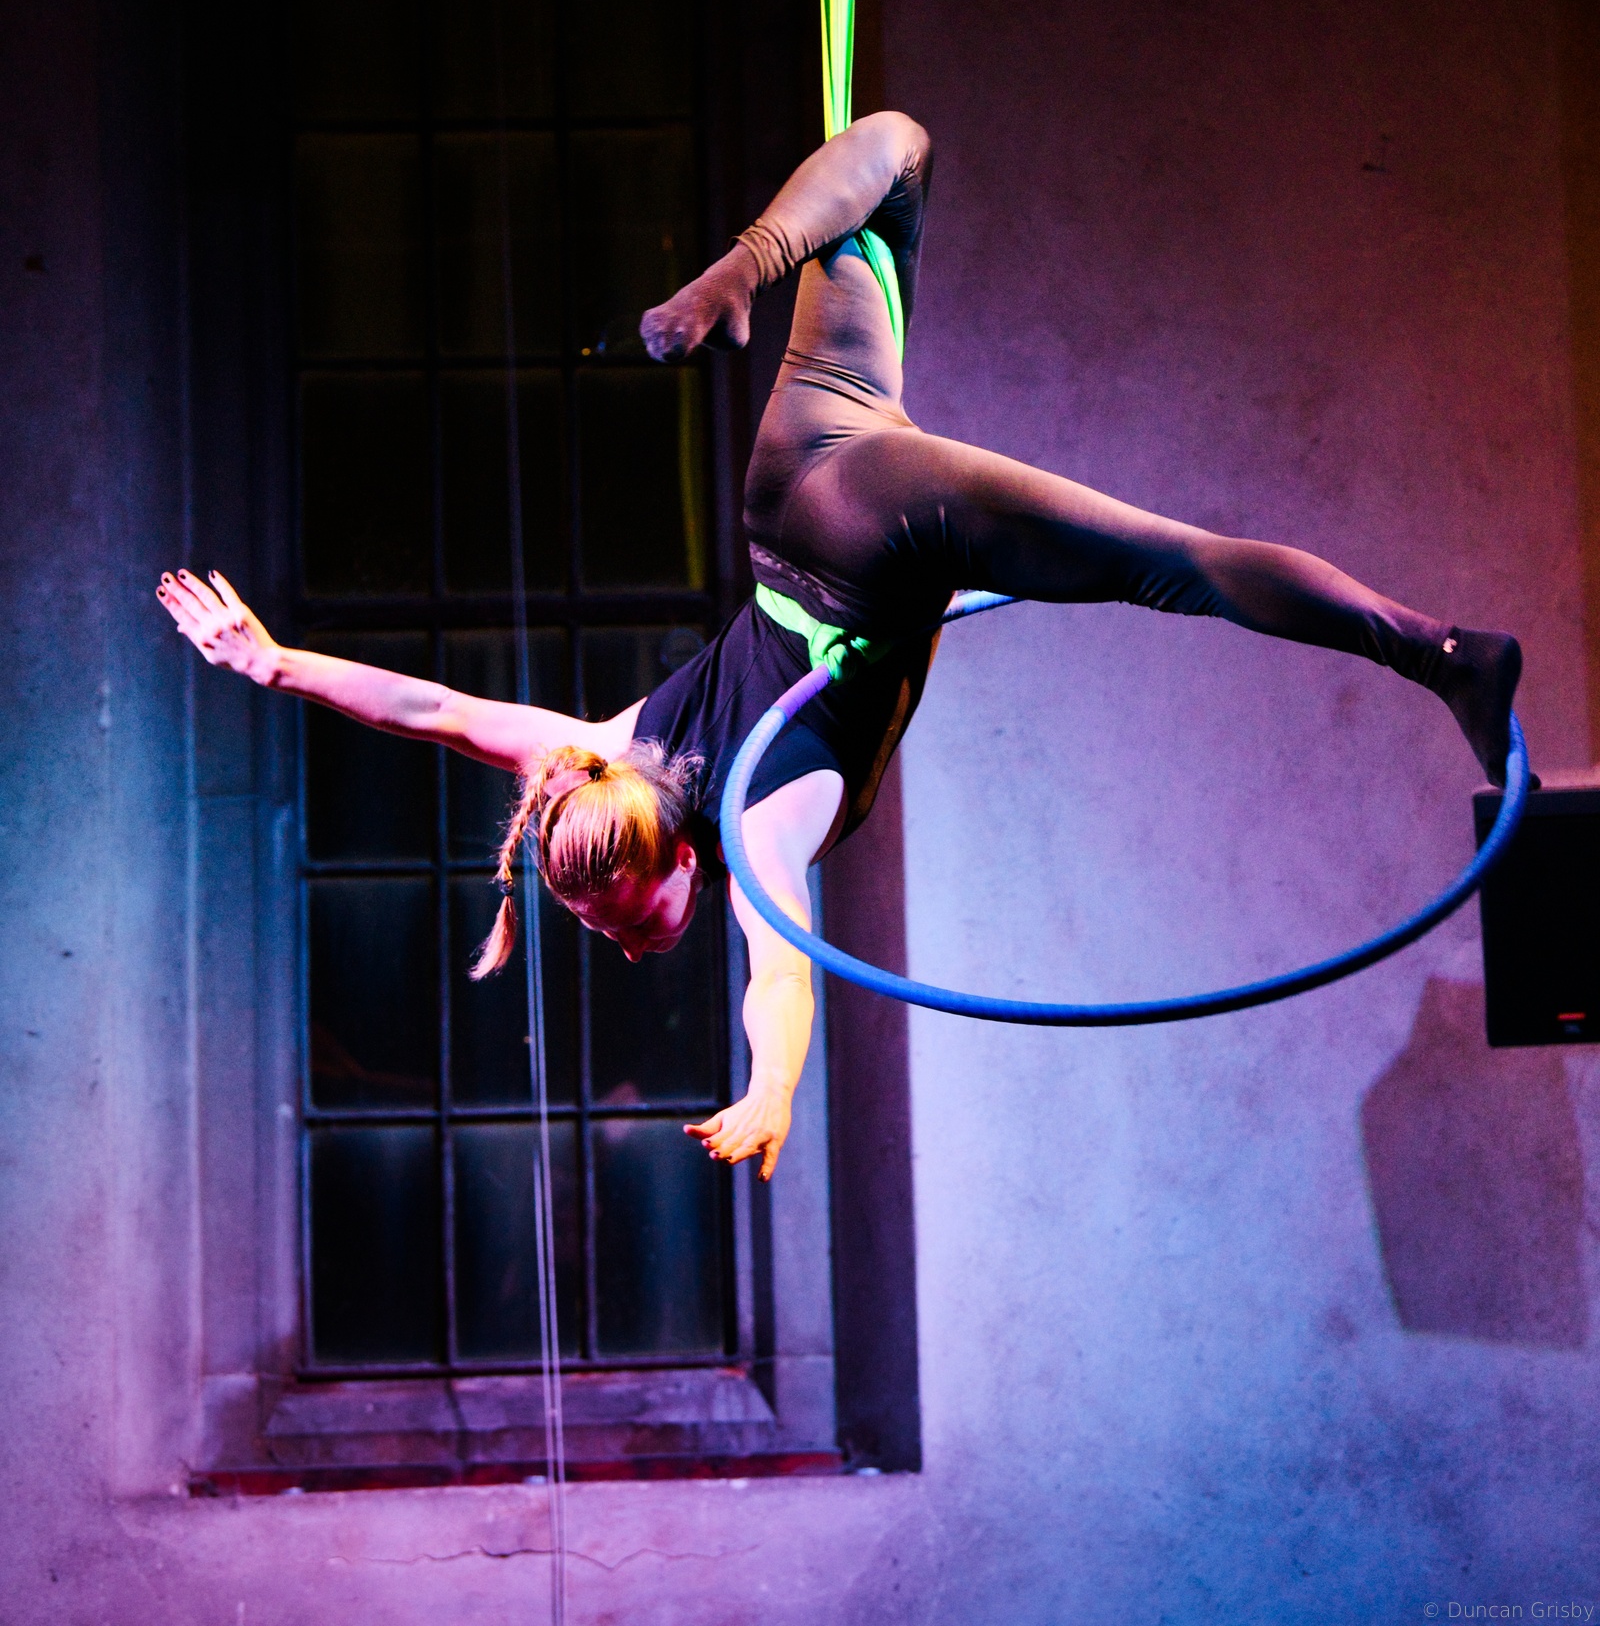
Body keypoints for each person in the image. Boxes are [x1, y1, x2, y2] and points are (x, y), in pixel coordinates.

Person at [158, 111, 1523, 1182]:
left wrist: (771, 1087)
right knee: (894, 161)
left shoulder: (758, 821)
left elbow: (782, 972)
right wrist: (273, 665)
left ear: (671, 862)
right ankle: (743, 270)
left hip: (879, 541)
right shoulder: (601, 755)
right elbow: (436, 712)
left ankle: (1444, 655)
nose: (632, 951)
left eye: (627, 924)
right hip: (792, 483)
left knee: (1177, 568)